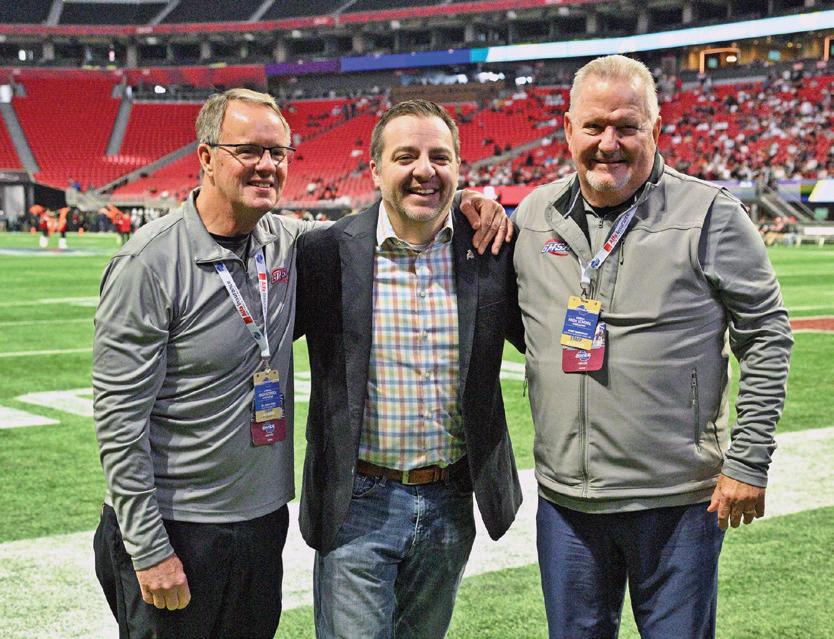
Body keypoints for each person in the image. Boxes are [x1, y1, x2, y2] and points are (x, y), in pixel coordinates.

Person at [92, 88, 511, 639]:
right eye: (248, 150)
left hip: (262, 522)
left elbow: (402, 211)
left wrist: (464, 198)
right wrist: (148, 549)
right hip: (178, 525)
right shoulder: (148, 262)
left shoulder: (292, 243)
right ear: (206, 157)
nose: (266, 164)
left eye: (278, 152)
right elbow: (118, 423)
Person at [512, 55, 793, 639]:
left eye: (627, 127)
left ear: (656, 130)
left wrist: (748, 459)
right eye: (594, 127)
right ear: (568, 130)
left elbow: (767, 334)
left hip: (676, 503)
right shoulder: (535, 214)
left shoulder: (710, 214)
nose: (608, 144)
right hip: (567, 504)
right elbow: (524, 324)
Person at [295, 99, 525, 639]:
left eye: (440, 157)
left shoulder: (490, 251)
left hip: (450, 499)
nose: (425, 170)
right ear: (375, 170)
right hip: (357, 501)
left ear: (459, 168)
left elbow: (545, 339)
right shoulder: (326, 253)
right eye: (406, 157)